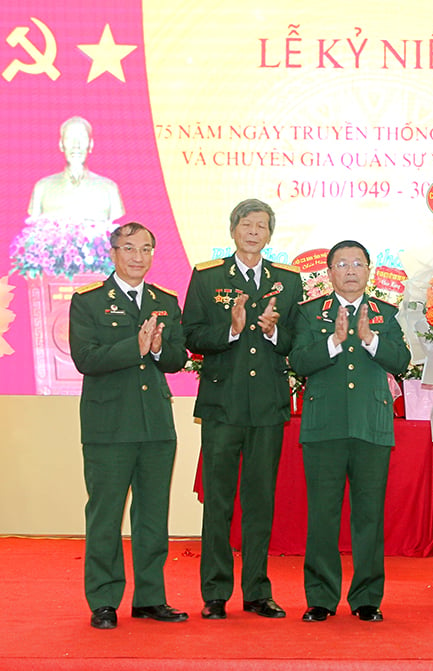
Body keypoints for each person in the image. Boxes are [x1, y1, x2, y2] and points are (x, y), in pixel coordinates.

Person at [183, 198, 302, 620]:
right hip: (221, 405)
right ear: (233, 230)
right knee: (218, 502)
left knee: (260, 501)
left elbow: (296, 343)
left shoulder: (287, 281)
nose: (254, 232)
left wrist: (274, 333)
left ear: (270, 234)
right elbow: (191, 335)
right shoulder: (207, 276)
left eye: (262, 226)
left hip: (268, 407)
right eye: (247, 225)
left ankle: (257, 591)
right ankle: (214, 593)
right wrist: (230, 329)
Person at [69, 222, 188, 629]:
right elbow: (86, 358)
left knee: (153, 515)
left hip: (155, 424)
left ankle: (150, 598)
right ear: (114, 253)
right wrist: (133, 346)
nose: (139, 257)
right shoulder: (88, 301)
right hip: (109, 426)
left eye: (146, 249)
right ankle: (103, 600)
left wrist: (157, 348)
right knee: (105, 515)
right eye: (130, 249)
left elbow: (177, 359)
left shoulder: (165, 300)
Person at [288, 240, 410, 623]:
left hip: (371, 427)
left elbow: (402, 361)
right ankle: (321, 598)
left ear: (369, 271)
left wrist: (371, 339)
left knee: (369, 515)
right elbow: (298, 361)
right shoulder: (310, 314)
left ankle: (367, 598)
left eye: (358, 263)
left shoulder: (386, 314)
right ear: (329, 273)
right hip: (324, 428)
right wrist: (334, 342)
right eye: (342, 264)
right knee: (323, 515)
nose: (351, 270)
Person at [28, 116, 124, 221]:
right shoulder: (43, 187)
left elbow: (118, 230)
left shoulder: (109, 188)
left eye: (82, 138)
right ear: (61, 144)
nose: (76, 145)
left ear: (91, 144)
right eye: (69, 138)